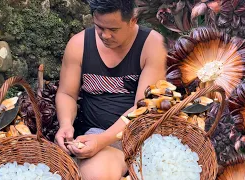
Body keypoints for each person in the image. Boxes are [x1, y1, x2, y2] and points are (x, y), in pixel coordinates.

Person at [55, 0, 167, 179]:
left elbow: (144, 107)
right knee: (96, 173)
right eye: (99, 27)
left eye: (113, 30)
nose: (105, 35)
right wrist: (66, 124)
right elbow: (66, 93)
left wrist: (104, 140)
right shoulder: (78, 44)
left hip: (137, 135)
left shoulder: (152, 45)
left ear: (133, 20)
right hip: (94, 133)